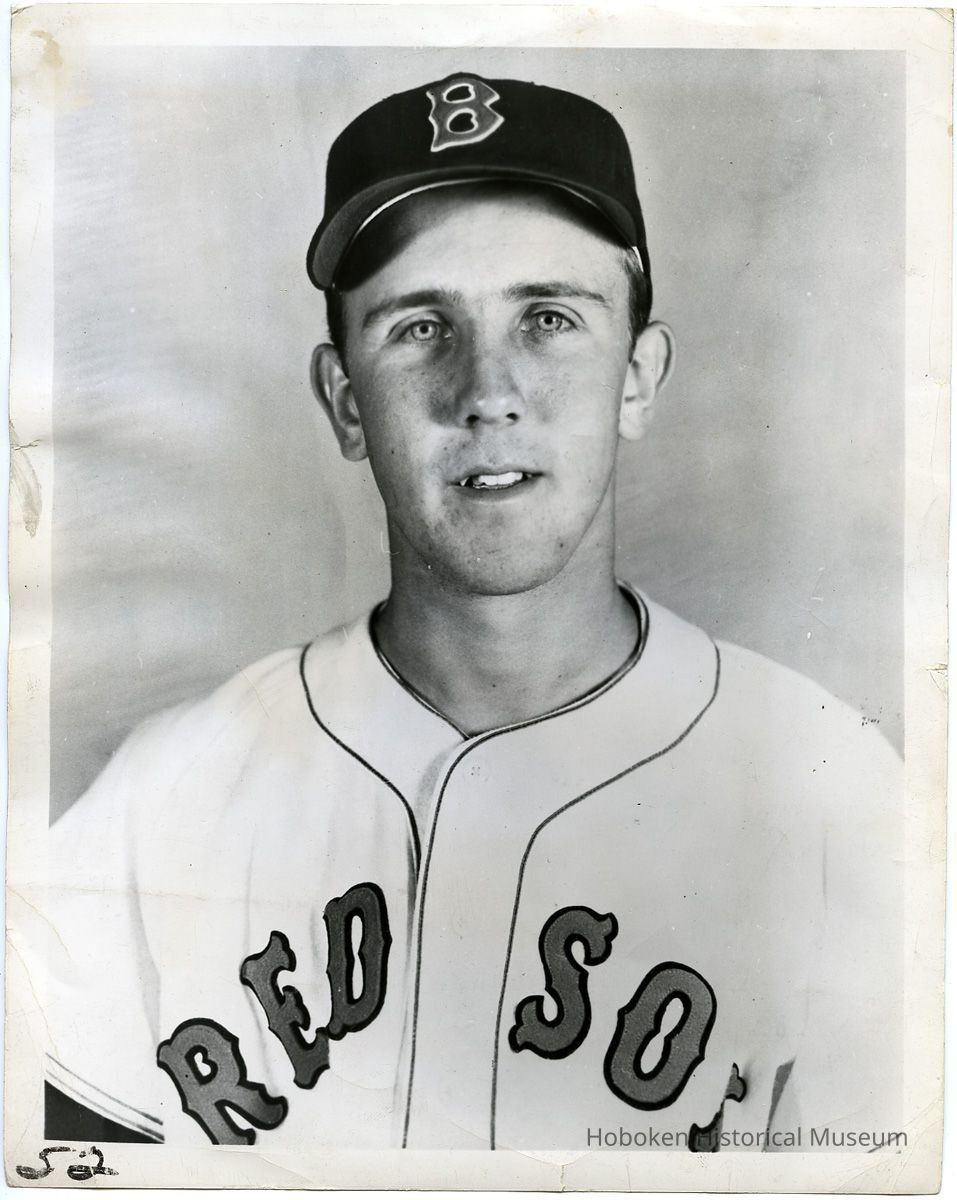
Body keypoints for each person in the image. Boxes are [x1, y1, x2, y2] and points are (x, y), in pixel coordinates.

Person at [39, 72, 904, 1152]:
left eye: (549, 319)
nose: (487, 392)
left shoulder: (838, 801)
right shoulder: (156, 804)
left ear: (638, 377)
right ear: (345, 402)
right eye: (419, 328)